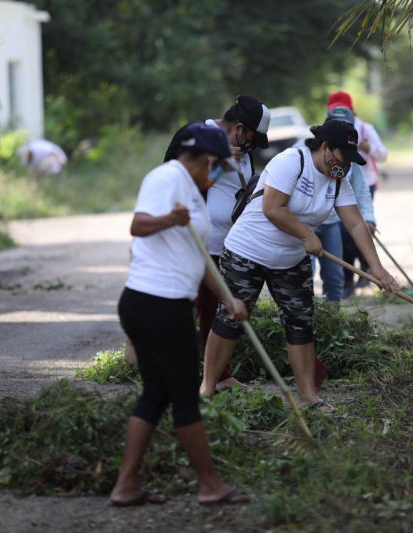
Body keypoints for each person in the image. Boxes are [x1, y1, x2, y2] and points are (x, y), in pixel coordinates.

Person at [199, 120, 399, 412]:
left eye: (349, 159)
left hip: (291, 260)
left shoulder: (338, 181)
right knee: (230, 321)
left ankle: (310, 398)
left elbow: (355, 223)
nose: (344, 165)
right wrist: (307, 235)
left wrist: (376, 268)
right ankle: (206, 389)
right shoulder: (292, 161)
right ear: (325, 148)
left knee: (301, 324)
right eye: (342, 156)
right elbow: (272, 207)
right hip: (247, 252)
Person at [110, 122, 251, 507]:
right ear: (206, 159)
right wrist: (171, 220)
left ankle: (125, 487)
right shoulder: (166, 178)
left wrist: (228, 298)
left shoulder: (192, 190)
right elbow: (138, 225)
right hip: (157, 304)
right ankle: (210, 485)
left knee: (157, 393)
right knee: (185, 395)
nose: (217, 173)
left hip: (162, 303)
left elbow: (199, 257)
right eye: (217, 166)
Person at [164, 95, 271, 391]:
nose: (251, 146)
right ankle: (173, 373)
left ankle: (219, 377)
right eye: (251, 138)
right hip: (193, 243)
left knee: (217, 312)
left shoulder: (242, 150)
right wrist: (220, 162)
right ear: (238, 128)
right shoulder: (194, 135)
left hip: (227, 247)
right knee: (184, 309)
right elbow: (176, 181)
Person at [295, 106, 376, 302]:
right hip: (304, 225)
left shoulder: (347, 157)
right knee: (305, 273)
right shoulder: (297, 155)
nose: (345, 164)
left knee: (335, 276)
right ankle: (306, 312)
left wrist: (368, 218)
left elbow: (361, 191)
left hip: (331, 222)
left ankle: (331, 314)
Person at [325, 91, 388, 297]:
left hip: (364, 183)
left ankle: (366, 265)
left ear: (352, 111)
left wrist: (365, 146)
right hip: (339, 184)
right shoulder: (325, 134)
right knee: (342, 232)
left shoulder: (365, 129)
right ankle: (348, 280)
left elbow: (383, 155)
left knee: (358, 228)